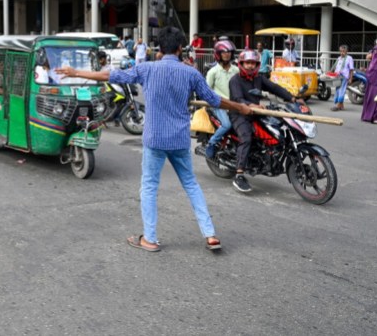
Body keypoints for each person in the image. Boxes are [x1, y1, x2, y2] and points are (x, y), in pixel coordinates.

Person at [55, 26, 251, 253]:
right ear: (180, 48)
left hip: (155, 139)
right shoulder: (191, 73)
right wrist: (240, 107)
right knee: (191, 184)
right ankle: (210, 234)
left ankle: (150, 238)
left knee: (149, 187)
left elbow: (111, 75)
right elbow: (214, 100)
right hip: (179, 139)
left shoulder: (147, 69)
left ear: (160, 49)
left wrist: (76, 73)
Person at [229, 50, 300, 193]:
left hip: (257, 113)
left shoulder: (259, 79)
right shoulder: (235, 80)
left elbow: (274, 88)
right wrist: (250, 105)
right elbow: (237, 99)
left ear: (257, 65)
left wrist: (292, 98)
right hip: (239, 114)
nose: (250, 66)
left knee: (275, 130)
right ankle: (239, 174)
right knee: (246, 138)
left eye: (252, 63)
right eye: (247, 63)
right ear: (241, 64)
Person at [205, 39, 238, 159]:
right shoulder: (213, 72)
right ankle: (212, 142)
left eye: (229, 51)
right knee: (227, 125)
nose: (227, 54)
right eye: (223, 52)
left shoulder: (236, 70)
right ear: (218, 54)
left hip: (234, 105)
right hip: (219, 105)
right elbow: (206, 91)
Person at [331, 45, 354, 112]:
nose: (342, 53)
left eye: (343, 51)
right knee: (337, 90)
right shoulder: (339, 58)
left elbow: (351, 69)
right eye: (340, 51)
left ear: (346, 51)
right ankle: (341, 105)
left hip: (344, 77)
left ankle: (338, 105)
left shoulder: (349, 58)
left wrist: (350, 78)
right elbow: (335, 67)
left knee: (342, 90)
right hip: (337, 77)